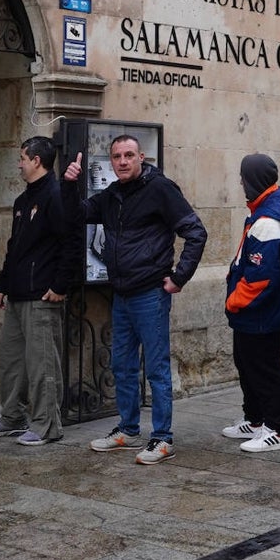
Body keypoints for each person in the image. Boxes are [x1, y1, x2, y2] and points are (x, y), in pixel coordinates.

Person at [62, 136, 207, 465]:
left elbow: (195, 231)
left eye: (129, 155)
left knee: (155, 369)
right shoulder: (113, 194)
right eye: (117, 156)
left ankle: (162, 438)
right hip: (122, 294)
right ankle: (128, 430)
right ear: (111, 161)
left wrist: (179, 277)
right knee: (122, 366)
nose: (123, 161)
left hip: (150, 293)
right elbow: (77, 216)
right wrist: (69, 184)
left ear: (141, 157)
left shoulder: (161, 189)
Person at [0, 136, 80, 446]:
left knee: (42, 364)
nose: (19, 163)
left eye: (23, 158)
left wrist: (60, 286)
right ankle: (12, 416)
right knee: (12, 360)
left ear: (37, 161)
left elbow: (72, 244)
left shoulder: (56, 195)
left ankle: (47, 424)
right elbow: (15, 248)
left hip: (43, 295)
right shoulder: (24, 201)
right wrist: (3, 285)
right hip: (19, 294)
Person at [222, 154, 280, 453]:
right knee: (246, 363)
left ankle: (275, 429)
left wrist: (234, 301)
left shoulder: (269, 221)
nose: (240, 182)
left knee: (264, 368)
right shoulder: (266, 208)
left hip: (260, 310)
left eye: (243, 177)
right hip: (255, 311)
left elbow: (262, 276)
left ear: (253, 180)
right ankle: (255, 420)